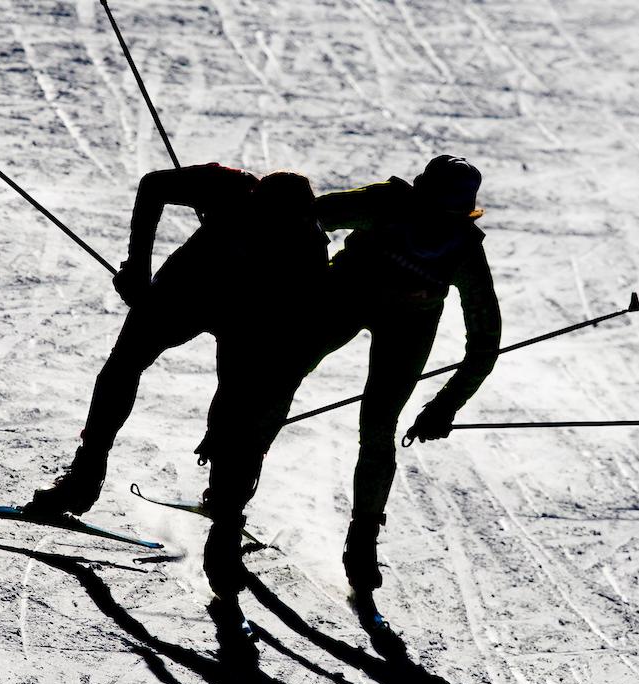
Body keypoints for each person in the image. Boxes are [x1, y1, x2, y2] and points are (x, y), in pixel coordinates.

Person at [200, 155, 502, 635]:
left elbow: (305, 215)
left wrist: (446, 405)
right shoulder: (444, 235)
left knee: (297, 395)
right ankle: (243, 514)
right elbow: (484, 342)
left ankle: (327, 533)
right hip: (356, 302)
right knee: (306, 399)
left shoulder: (407, 216)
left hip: (364, 307)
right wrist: (445, 404)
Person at [24, 165, 327, 518]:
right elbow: (153, 184)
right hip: (191, 282)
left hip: (252, 312)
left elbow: (289, 358)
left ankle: (229, 488)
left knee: (240, 403)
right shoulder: (230, 187)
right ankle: (86, 475)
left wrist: (246, 424)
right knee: (123, 365)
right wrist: (138, 266)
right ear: (252, 197)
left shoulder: (311, 254)